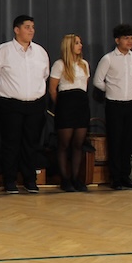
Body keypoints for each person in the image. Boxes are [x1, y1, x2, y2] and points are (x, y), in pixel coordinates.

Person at [0, 15, 51, 194]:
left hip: (35, 105)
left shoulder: (40, 52)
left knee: (31, 144)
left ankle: (30, 180)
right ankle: (10, 180)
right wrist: (4, 91)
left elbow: (44, 75)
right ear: (16, 29)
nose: (31, 30)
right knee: (11, 143)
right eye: (27, 27)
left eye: (33, 27)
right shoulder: (3, 51)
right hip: (10, 105)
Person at [93, 24, 132, 190]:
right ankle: (115, 178)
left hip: (131, 104)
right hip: (114, 104)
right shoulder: (108, 58)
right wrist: (112, 90)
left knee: (128, 141)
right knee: (115, 141)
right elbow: (97, 81)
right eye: (126, 38)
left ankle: (125, 176)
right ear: (117, 40)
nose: (130, 41)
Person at [48, 34, 91, 193]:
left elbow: (85, 85)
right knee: (64, 144)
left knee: (78, 144)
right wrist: (61, 106)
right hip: (66, 104)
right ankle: (65, 179)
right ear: (68, 46)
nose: (80, 45)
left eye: (80, 42)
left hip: (81, 104)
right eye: (77, 43)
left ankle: (75, 178)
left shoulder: (84, 64)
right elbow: (52, 89)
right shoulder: (59, 64)